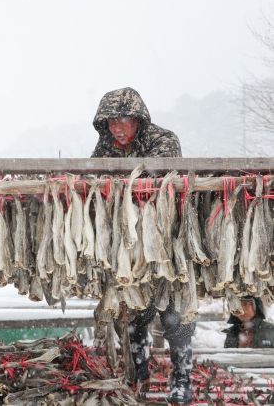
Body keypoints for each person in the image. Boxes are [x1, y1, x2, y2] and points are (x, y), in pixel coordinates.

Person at [91, 87, 192, 403]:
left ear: (138, 119)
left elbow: (161, 177)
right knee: (135, 313)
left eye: (123, 121)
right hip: (127, 241)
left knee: (174, 315)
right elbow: (93, 177)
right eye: (111, 123)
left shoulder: (163, 140)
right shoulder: (104, 148)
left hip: (163, 238)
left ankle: (181, 377)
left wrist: (129, 184)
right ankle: (139, 373)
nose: (117, 129)